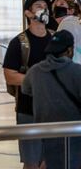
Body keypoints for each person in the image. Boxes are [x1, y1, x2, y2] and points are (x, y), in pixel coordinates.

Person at [3, 0, 53, 169]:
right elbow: (10, 75)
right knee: (31, 162)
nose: (44, 9)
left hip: (53, 110)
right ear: (27, 13)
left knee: (50, 161)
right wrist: (39, 81)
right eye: (38, 6)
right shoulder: (19, 43)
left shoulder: (56, 39)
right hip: (27, 109)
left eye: (45, 6)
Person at [21, 30, 81, 169]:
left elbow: (26, 89)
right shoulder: (77, 71)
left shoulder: (35, 71)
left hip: (45, 132)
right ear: (70, 50)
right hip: (74, 133)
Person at [52, 0, 81, 64]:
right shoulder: (76, 22)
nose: (57, 8)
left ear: (71, 10)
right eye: (56, 7)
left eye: (61, 4)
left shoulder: (67, 23)